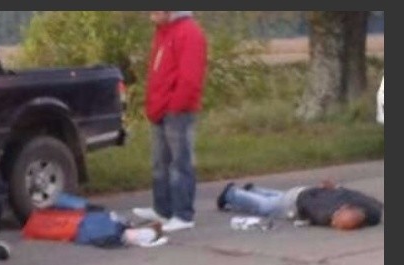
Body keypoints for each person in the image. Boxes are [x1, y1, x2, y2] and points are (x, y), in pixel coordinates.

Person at [132, 11, 208, 233]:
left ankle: (183, 214)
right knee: (160, 163)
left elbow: (190, 78)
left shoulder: (189, 32)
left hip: (177, 111)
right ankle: (162, 208)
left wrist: (175, 105)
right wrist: (155, 106)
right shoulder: (163, 33)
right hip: (160, 109)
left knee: (180, 163)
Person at [216, 181, 384, 231]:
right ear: (343, 209)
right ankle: (232, 194)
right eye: (336, 220)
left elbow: (368, 200)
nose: (333, 223)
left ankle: (254, 190)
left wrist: (335, 187)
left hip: (310, 190)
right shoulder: (324, 212)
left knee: (278, 197)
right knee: (265, 207)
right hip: (297, 201)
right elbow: (307, 210)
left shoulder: (373, 212)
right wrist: (300, 219)